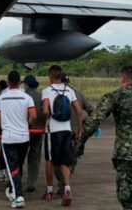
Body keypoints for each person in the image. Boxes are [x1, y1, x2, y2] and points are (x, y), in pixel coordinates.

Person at [78, 65, 132, 210]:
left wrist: (81, 141)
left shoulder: (114, 96)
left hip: (126, 156)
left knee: (128, 198)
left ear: (122, 79)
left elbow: (95, 120)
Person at [42, 65, 84, 205]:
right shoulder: (69, 90)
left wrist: (44, 120)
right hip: (66, 130)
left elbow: (46, 111)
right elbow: (79, 111)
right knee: (65, 162)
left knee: (50, 160)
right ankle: (67, 189)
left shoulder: (47, 91)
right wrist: (79, 130)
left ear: (50, 76)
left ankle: (49, 191)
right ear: (61, 76)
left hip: (52, 130)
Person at [0, 71, 36, 209]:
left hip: (8, 137)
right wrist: (26, 124)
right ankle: (14, 190)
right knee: (18, 165)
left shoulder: (2, 97)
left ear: (8, 82)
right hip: (23, 136)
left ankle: (19, 196)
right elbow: (33, 116)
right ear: (20, 82)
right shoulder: (27, 97)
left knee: (13, 167)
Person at [23, 74, 44, 193]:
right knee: (34, 156)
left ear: (26, 85)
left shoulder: (23, 96)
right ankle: (32, 181)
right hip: (38, 130)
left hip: (23, 130)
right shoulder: (40, 96)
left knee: (19, 156)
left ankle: (15, 179)